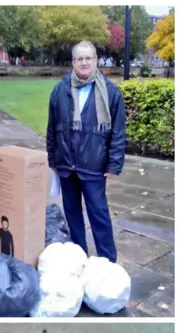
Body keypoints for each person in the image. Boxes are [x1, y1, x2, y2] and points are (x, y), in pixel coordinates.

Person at [46, 40, 126, 263]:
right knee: (72, 215)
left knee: (99, 215)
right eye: (79, 58)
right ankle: (79, 259)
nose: (84, 62)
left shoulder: (110, 92)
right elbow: (51, 127)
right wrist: (53, 158)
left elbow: (118, 132)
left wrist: (114, 164)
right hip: (66, 165)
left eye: (88, 58)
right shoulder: (60, 89)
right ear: (73, 62)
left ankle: (108, 263)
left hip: (94, 166)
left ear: (95, 61)